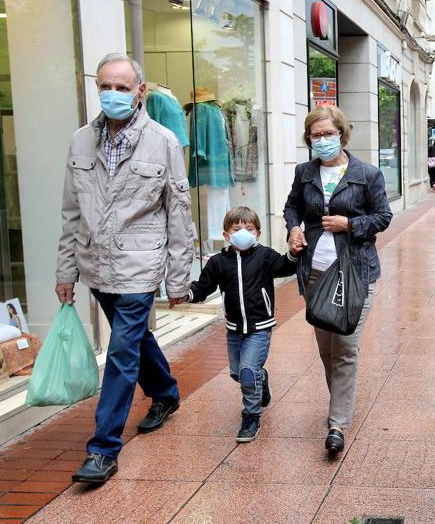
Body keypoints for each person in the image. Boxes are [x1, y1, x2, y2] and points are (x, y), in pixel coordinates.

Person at [56, 53, 196, 484]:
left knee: (120, 350)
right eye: (104, 86)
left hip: (139, 263)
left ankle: (103, 449)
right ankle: (166, 393)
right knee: (133, 339)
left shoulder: (164, 142)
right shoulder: (81, 140)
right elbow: (71, 211)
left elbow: (178, 212)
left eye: (121, 86)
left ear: (140, 91)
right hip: (95, 263)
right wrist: (65, 270)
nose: (111, 94)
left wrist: (178, 278)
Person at [284, 105, 392, 455]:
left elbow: (383, 216)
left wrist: (351, 225)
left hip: (356, 273)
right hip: (315, 272)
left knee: (345, 348)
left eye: (329, 133)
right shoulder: (304, 172)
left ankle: (337, 424)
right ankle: (341, 406)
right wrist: (294, 228)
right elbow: (292, 208)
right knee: (326, 349)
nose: (323, 140)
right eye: (316, 135)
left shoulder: (367, 173)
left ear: (342, 135)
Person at [172, 206, 303, 442]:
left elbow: (285, 266)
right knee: (237, 373)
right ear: (226, 235)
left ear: (258, 234)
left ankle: (251, 418)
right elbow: (203, 287)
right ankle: (260, 379)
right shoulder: (218, 262)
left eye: (249, 228)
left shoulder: (264, 256)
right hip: (234, 329)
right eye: (237, 228)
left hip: (260, 326)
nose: (243, 232)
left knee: (246, 372)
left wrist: (293, 253)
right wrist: (186, 295)